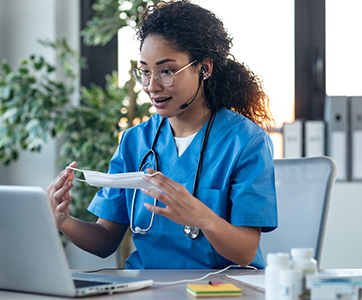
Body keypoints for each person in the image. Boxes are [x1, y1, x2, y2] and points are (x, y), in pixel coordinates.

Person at [47, 0, 277, 270]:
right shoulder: (134, 142)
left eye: (166, 71)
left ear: (204, 68)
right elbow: (105, 241)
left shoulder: (245, 142)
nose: (151, 86)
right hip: (146, 288)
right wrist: (63, 221)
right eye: (145, 72)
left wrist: (203, 217)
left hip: (217, 289)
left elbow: (246, 251)